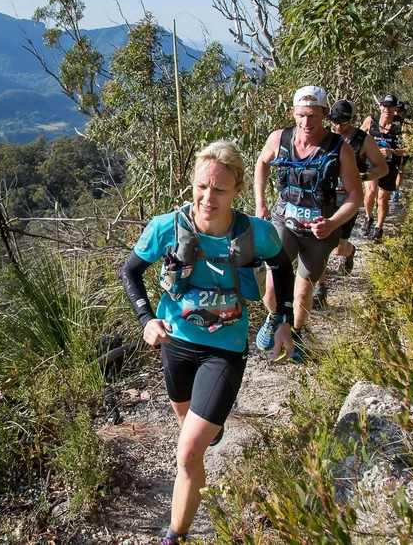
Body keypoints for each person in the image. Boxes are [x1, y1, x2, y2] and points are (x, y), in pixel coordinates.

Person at [120, 140, 296, 545]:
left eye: (219, 190)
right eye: (201, 187)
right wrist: (147, 320)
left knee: (187, 452)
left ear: (236, 190)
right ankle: (204, 432)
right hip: (176, 344)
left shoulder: (256, 232)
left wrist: (282, 319)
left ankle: (174, 535)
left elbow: (281, 264)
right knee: (190, 431)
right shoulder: (167, 227)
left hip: (226, 350)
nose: (207, 197)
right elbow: (130, 273)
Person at [253, 86, 363, 359]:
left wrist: (332, 222)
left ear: (325, 114)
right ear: (293, 113)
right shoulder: (280, 139)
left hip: (320, 231)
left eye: (313, 115)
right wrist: (261, 203)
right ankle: (275, 318)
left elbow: (355, 195)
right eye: (301, 115)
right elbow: (262, 163)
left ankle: (297, 335)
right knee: (270, 290)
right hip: (284, 221)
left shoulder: (340, 149)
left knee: (302, 294)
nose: (306, 122)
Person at [312, 99, 388, 306]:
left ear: (353, 120)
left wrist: (359, 177)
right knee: (321, 243)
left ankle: (349, 250)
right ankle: (320, 289)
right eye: (334, 121)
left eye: (343, 122)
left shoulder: (363, 140)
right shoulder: (324, 136)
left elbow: (382, 168)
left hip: (348, 200)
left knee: (337, 248)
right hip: (323, 198)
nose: (337, 126)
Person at [360, 94, 410, 242]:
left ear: (395, 108)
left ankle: (379, 227)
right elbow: (357, 138)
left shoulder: (402, 125)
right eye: (384, 106)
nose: (387, 109)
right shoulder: (371, 120)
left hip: (390, 164)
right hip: (371, 163)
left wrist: (393, 151)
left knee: (382, 199)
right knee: (370, 192)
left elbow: (409, 148)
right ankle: (368, 217)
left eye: (390, 106)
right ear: (380, 106)